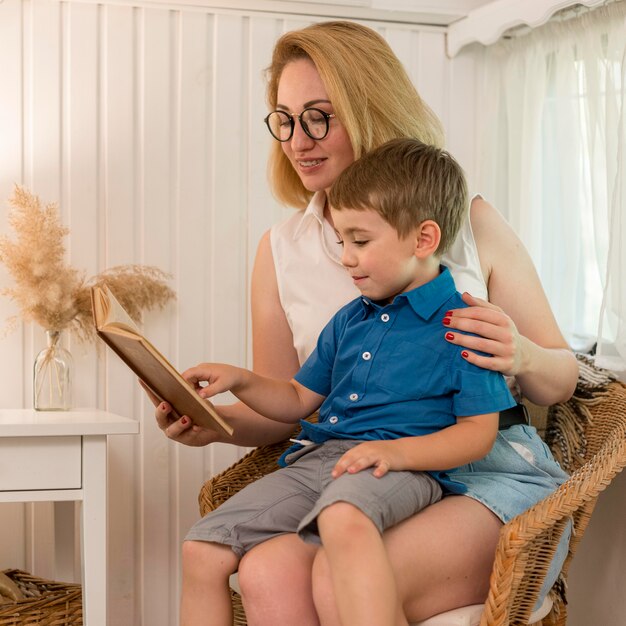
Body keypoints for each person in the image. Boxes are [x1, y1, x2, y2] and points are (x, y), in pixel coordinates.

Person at [152, 20, 579, 625]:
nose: (299, 140)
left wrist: (525, 355)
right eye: (285, 120)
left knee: (335, 573)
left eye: (319, 116)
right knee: (265, 571)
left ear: (370, 109)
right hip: (355, 464)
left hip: (482, 466)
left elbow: (561, 381)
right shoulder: (281, 249)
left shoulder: (468, 219)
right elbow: (293, 401)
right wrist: (213, 423)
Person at [179, 138, 519, 626]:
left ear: (423, 239)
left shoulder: (464, 324)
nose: (347, 258)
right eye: (342, 241)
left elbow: (477, 433)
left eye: (360, 241)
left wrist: (396, 454)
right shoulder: (349, 320)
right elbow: (297, 398)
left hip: (397, 467)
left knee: (341, 519)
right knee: (202, 549)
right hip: (321, 461)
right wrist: (241, 381)